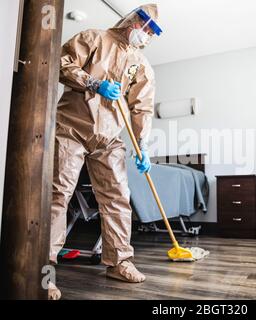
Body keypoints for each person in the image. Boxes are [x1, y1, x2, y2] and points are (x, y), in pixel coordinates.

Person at [48, 4, 162, 300]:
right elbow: (60, 64)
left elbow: (142, 108)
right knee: (58, 193)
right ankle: (43, 268)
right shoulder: (93, 38)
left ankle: (119, 262)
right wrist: (93, 83)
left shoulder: (141, 65)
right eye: (146, 27)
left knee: (117, 198)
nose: (147, 35)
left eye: (153, 32)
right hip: (72, 127)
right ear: (132, 21)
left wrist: (143, 146)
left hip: (109, 137)